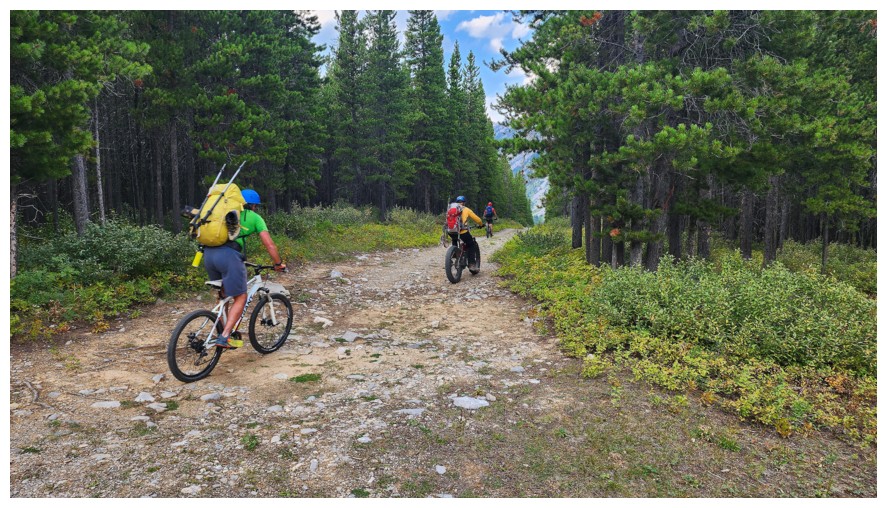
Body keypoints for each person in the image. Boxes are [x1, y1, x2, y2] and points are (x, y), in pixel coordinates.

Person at [202, 188, 286, 348]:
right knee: (241, 297)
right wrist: (277, 263)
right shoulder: (254, 217)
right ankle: (224, 337)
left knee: (224, 295)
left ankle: (221, 330)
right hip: (228, 257)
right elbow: (269, 245)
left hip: (208, 254)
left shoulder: (224, 213)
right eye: (256, 206)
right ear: (253, 206)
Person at [447, 196, 484, 270]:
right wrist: (481, 224)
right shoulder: (466, 209)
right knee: (471, 244)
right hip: (463, 232)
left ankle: (455, 252)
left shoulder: (450, 209)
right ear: (464, 202)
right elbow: (478, 220)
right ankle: (471, 264)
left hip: (451, 231)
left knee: (454, 238)